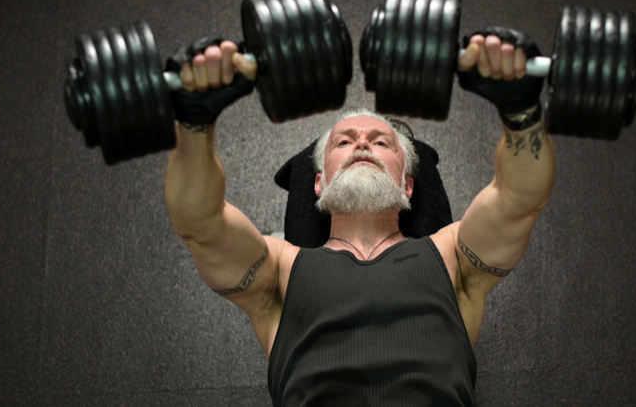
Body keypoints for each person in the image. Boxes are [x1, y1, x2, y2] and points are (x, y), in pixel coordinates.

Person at [164, 28, 555, 406]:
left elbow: (519, 198)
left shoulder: (453, 254)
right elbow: (201, 224)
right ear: (318, 183)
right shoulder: (279, 269)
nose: (363, 143)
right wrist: (195, 123)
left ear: (408, 186)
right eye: (344, 142)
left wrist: (520, 112)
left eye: (382, 142)